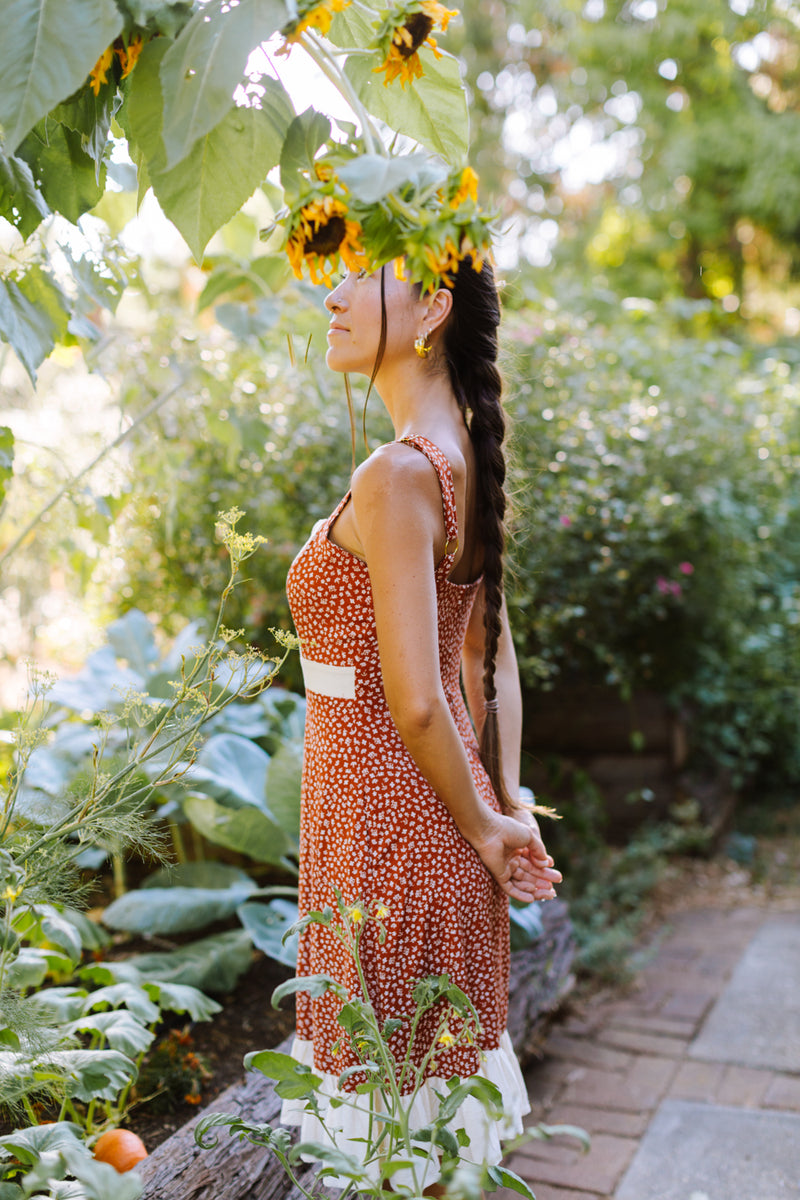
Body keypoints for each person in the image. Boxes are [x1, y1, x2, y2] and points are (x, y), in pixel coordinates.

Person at [281, 254, 562, 1188]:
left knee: (387, 1154)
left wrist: (492, 825)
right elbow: (490, 661)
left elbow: (414, 696)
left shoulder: (400, 471)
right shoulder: (458, 458)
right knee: (425, 1155)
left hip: (389, 844)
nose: (332, 294)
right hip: (429, 832)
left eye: (362, 277)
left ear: (433, 307)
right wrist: (504, 802)